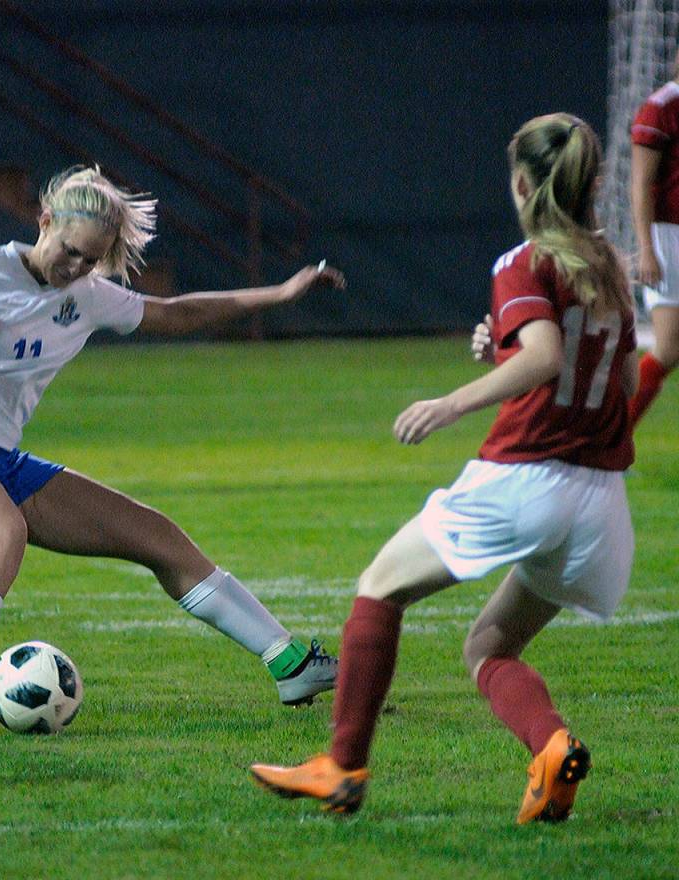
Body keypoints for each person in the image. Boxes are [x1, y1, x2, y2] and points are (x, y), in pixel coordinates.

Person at [250, 113, 638, 824]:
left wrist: (451, 402)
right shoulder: (611, 265)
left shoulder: (521, 262)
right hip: (601, 500)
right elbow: (600, 364)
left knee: (378, 588)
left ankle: (340, 767)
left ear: (522, 183)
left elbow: (548, 357)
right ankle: (551, 749)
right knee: (491, 645)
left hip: (526, 480)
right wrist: (507, 349)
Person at [0, 165, 347, 733]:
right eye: (72, 251)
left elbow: (180, 313)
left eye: (91, 259)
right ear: (45, 220)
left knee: (157, 537)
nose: (77, 267)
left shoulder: (87, 296)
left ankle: (288, 662)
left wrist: (279, 292)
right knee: (2, 534)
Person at [629, 52, 679, 427]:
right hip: (669, 236)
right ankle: (611, 436)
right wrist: (647, 248)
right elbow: (641, 183)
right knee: (667, 345)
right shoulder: (661, 107)